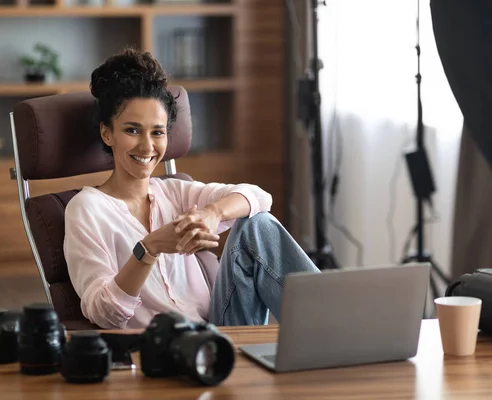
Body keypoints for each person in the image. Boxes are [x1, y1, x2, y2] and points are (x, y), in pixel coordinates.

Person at [63, 48, 320, 329]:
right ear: (107, 133)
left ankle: (329, 328)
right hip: (160, 346)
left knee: (257, 224)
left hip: (220, 328)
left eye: (157, 132)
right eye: (132, 130)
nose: (147, 146)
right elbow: (103, 313)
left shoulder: (174, 192)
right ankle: (331, 333)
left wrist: (213, 213)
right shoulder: (86, 208)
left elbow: (259, 197)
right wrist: (149, 248)